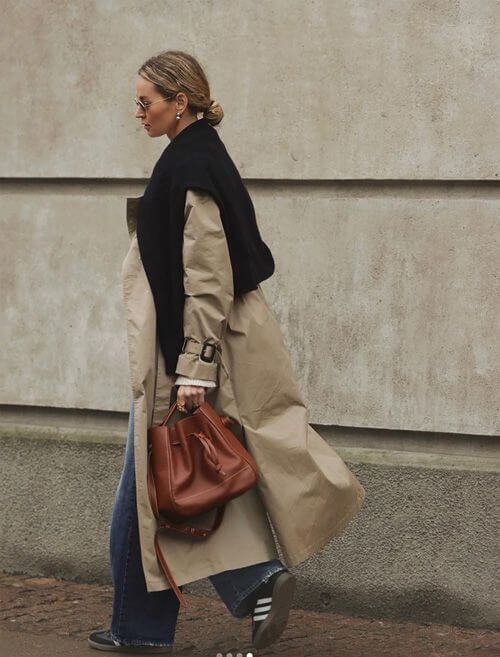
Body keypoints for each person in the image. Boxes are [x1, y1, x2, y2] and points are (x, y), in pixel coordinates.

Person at [88, 50, 365, 654]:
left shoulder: (192, 164)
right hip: (179, 354)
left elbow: (207, 276)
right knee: (151, 494)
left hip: (184, 360)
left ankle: (253, 583)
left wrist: (193, 367)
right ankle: (140, 628)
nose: (138, 112)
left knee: (158, 492)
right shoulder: (192, 157)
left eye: (146, 101)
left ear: (179, 100)